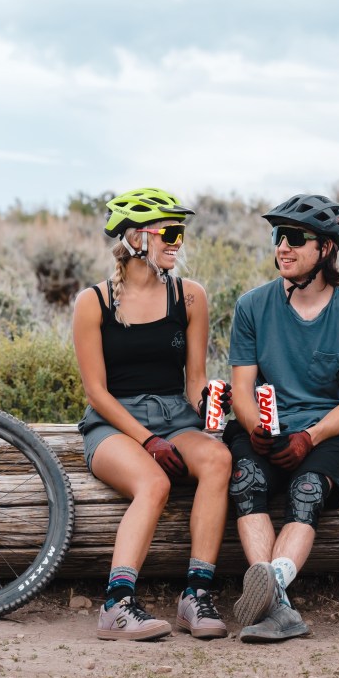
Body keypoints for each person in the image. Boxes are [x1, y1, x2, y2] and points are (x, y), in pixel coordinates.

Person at [72, 187, 233, 641]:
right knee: (154, 481)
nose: (178, 242)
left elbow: (195, 380)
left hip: (175, 418)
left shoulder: (191, 297)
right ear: (138, 237)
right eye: (170, 232)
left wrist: (214, 406)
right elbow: (97, 394)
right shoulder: (94, 303)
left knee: (219, 460)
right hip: (113, 424)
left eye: (181, 233)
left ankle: (195, 597)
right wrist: (147, 440)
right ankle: (116, 606)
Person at [223, 193, 339, 643]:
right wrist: (256, 425)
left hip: (323, 433)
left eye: (295, 238)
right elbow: (240, 388)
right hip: (264, 430)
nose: (282, 247)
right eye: (278, 236)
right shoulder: (252, 306)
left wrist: (309, 438)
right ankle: (277, 605)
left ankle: (268, 591)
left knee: (307, 492)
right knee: (246, 483)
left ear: (326, 249)